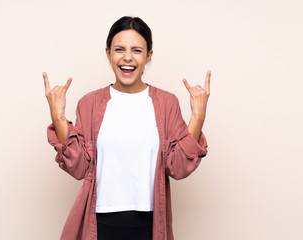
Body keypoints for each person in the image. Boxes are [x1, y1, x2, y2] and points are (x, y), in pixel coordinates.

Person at [43, 16, 210, 240]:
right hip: (100, 225)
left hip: (149, 225)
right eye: (119, 49)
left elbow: (177, 167)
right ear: (108, 53)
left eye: (137, 50)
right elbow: (79, 167)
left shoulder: (166, 103)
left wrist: (198, 117)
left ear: (148, 55)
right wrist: (58, 116)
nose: (127, 58)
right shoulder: (90, 103)